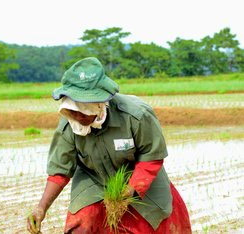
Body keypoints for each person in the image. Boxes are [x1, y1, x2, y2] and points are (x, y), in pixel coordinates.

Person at [27, 57, 192, 234]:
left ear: (100, 103)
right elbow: (60, 171)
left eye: (83, 113)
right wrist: (41, 208)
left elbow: (151, 157)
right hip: (94, 178)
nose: (79, 118)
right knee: (82, 228)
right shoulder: (69, 124)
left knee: (148, 226)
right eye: (74, 112)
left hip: (140, 178)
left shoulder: (136, 115)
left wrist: (131, 189)